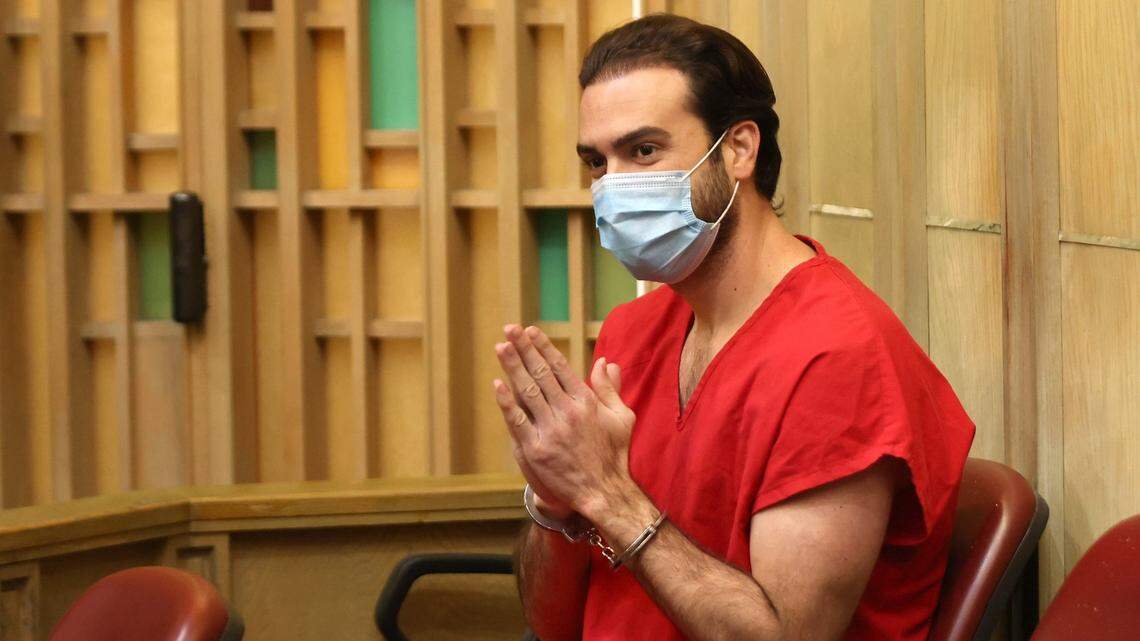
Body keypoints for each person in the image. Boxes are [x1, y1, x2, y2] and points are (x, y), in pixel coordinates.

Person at [490, 14, 975, 641]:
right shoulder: (633, 334)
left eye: (643, 151)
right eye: (596, 162)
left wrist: (606, 494)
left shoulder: (835, 356)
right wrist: (557, 502)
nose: (613, 187)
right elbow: (554, 625)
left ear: (740, 149)